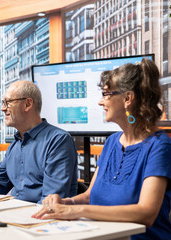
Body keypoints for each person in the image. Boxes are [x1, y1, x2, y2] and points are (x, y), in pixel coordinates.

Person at [32, 58, 171, 239]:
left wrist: (75, 211)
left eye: (106, 94)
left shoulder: (159, 145)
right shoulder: (112, 142)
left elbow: (146, 213)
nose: (100, 101)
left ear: (128, 98)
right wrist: (66, 202)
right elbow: (91, 196)